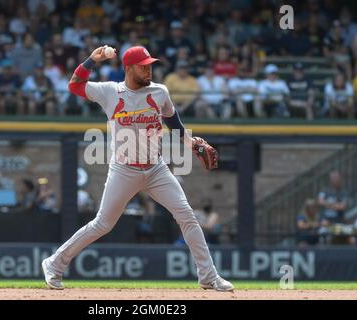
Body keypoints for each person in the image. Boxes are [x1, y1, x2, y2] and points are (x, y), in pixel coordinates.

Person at [41, 45, 233, 292]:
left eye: (150, 64)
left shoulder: (160, 92)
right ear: (129, 68)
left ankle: (208, 276)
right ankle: (54, 264)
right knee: (103, 224)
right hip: (124, 169)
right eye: (143, 65)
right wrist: (91, 60)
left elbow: (175, 124)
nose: (148, 69)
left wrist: (192, 143)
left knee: (187, 215)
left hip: (156, 169)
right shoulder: (110, 91)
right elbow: (75, 85)